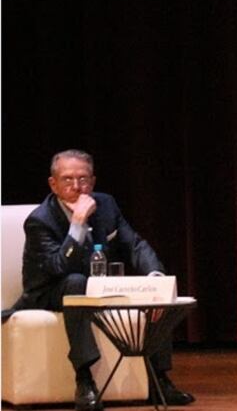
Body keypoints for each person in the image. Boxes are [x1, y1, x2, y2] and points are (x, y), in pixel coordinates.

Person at [9, 150, 194, 411]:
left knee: (155, 288)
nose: (76, 186)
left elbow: (134, 245)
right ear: (53, 184)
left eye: (83, 179)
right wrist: (77, 223)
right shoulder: (40, 220)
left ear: (93, 181)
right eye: (67, 179)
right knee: (75, 282)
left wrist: (156, 277)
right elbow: (58, 267)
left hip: (95, 286)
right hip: (49, 291)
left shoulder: (106, 205)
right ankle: (84, 379)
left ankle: (159, 380)